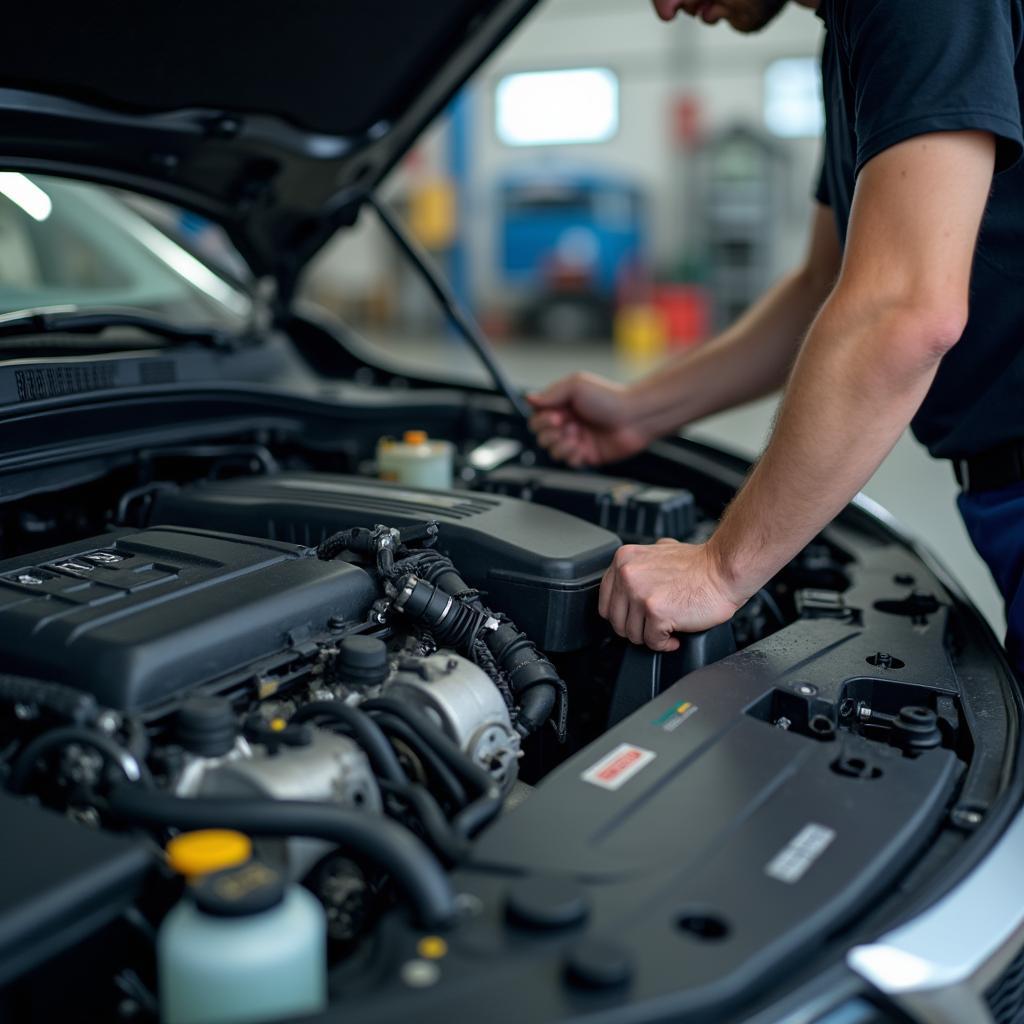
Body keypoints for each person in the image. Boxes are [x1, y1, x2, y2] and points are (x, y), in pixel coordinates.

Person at [528, 0, 1024, 672]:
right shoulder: (851, 36)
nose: (665, 6)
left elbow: (903, 310)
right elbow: (828, 283)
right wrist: (640, 410)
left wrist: (720, 570)